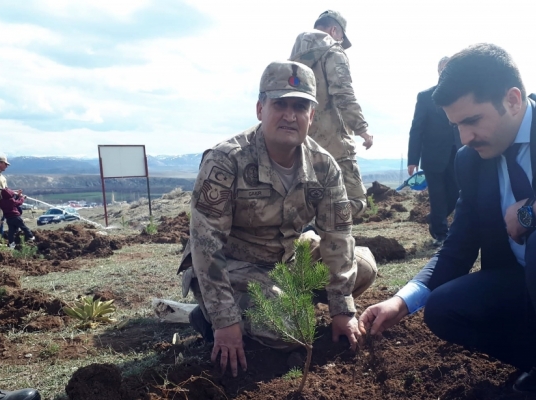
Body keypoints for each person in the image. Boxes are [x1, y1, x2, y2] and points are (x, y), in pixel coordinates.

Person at [358, 43, 536, 400]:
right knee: (444, 307)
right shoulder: (472, 160)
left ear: (512, 99)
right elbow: (458, 248)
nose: (464, 138)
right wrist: (401, 302)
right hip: (534, 291)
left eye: (472, 121)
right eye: (456, 126)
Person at [177, 60, 377, 377]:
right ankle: (213, 315)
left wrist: (341, 309)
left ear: (311, 115)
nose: (289, 114)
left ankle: (277, 305)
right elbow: (206, 246)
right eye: (279, 104)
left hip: (285, 256)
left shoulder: (324, 166)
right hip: (232, 263)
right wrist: (224, 319)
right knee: (291, 329)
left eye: (300, 106)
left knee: (364, 267)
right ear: (260, 108)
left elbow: (338, 236)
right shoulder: (226, 160)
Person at [289, 10, 371, 218]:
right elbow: (343, 93)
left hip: (299, 142)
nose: (341, 42)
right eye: (342, 37)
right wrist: (362, 128)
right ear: (335, 30)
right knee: (355, 201)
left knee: (308, 201)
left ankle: (309, 242)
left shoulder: (293, 59)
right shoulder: (334, 52)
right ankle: (332, 242)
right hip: (334, 142)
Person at [407, 57, 460, 247]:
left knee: (455, 194)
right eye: (444, 70)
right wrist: (412, 159)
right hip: (432, 155)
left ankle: (436, 220)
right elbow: (417, 128)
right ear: (438, 72)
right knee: (437, 195)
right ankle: (440, 234)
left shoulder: (462, 95)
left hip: (457, 154)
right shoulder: (425, 97)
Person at [0, 156, 9, 240]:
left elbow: (6, 191)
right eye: (5, 164)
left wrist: (15, 193)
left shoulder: (3, 178)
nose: (6, 166)